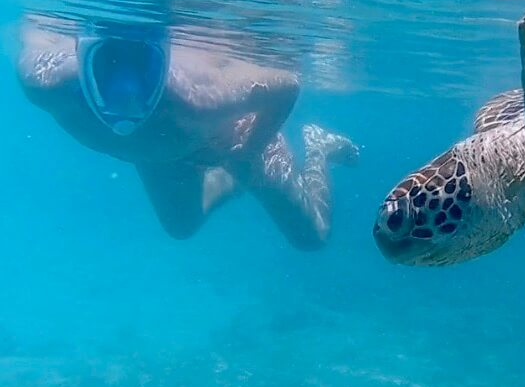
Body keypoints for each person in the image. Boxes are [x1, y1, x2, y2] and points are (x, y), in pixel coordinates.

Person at [17, 14, 358, 247]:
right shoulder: (44, 83)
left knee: (311, 237)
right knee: (180, 226)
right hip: (164, 154)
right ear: (81, 49)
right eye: (107, 64)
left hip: (232, 136)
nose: (127, 99)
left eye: (140, 71)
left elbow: (287, 85)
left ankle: (318, 148)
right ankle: (232, 181)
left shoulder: (199, 98)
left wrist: (251, 147)